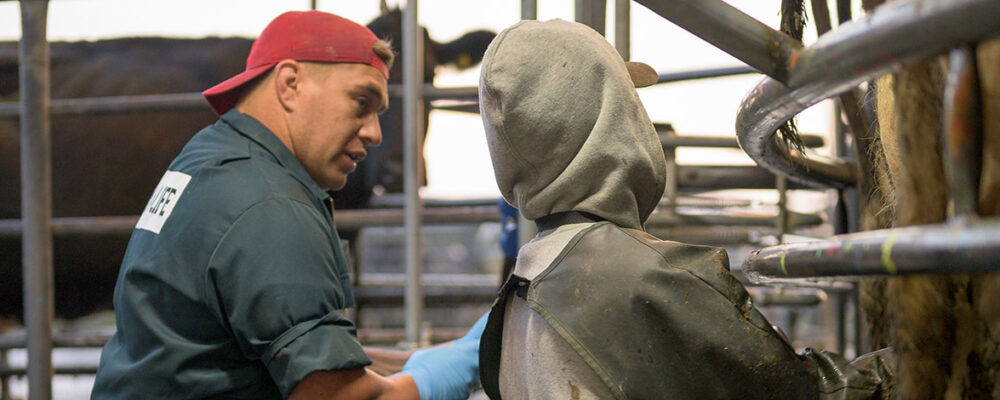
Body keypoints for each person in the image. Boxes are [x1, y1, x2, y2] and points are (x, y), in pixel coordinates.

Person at [475, 19, 890, 399]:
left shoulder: (513, 306)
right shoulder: (649, 283)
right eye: (629, 101)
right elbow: (812, 395)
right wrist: (906, 365)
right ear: (608, 119)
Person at [93, 10, 484, 400]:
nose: (375, 133)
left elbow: (280, 352)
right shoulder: (271, 204)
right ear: (290, 84)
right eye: (361, 101)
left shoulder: (211, 157)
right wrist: (438, 378)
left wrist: (426, 358)